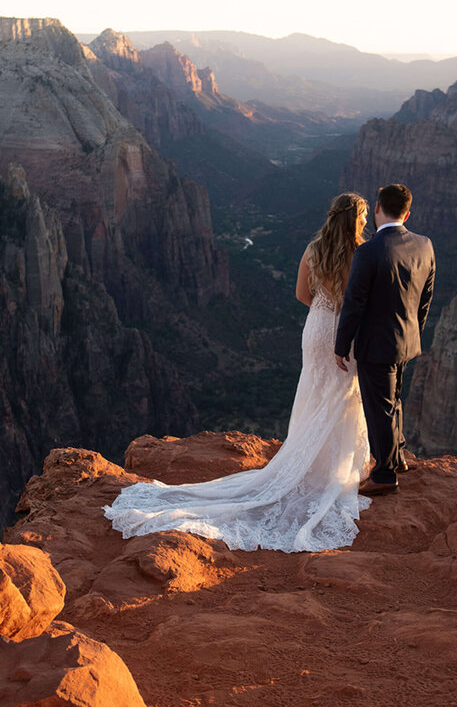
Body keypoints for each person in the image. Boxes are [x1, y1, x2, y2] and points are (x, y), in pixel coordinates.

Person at [103, 193, 373, 552]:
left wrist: (324, 309)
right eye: (363, 217)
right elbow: (364, 301)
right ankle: (334, 472)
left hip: (317, 329)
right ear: (355, 220)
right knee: (345, 396)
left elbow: (301, 294)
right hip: (346, 332)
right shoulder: (363, 253)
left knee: (314, 392)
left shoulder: (314, 248)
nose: (366, 223)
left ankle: (306, 465)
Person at [334, 184, 435, 497]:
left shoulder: (368, 251)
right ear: (407, 213)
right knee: (395, 400)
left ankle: (385, 475)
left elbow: (354, 303)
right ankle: (398, 455)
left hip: (376, 344)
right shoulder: (424, 245)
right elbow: (426, 296)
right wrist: (413, 331)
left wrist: (341, 345)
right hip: (406, 339)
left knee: (379, 407)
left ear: (378, 208)